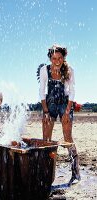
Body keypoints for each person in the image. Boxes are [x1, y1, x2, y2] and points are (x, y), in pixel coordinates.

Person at [37, 44, 81, 185]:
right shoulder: (45, 70)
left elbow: (72, 91)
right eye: (54, 58)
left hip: (65, 103)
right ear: (50, 58)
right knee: (46, 139)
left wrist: (67, 112)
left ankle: (76, 174)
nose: (57, 61)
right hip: (49, 104)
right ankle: (45, 173)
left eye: (60, 58)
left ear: (64, 57)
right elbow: (42, 91)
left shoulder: (69, 70)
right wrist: (45, 112)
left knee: (68, 138)